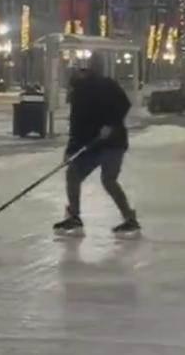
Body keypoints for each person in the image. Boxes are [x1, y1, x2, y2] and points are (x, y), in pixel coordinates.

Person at [53, 55, 140, 238]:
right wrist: (71, 150)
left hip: (112, 143)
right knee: (73, 175)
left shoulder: (101, 87)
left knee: (108, 180)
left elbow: (124, 104)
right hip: (93, 145)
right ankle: (74, 216)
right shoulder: (83, 91)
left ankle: (129, 218)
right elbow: (77, 126)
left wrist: (111, 125)